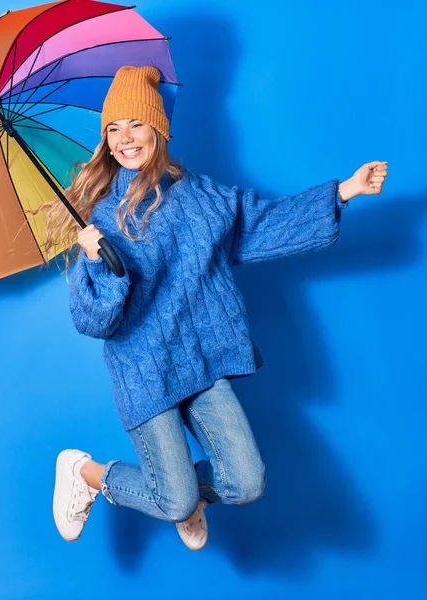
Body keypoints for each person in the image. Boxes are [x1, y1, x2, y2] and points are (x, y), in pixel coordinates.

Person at [46, 65, 388, 550]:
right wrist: (97, 263)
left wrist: (345, 192)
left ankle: (187, 498)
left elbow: (262, 225)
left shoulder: (199, 196)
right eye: (114, 129)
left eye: (136, 124)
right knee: (174, 502)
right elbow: (92, 320)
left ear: (158, 128)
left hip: (202, 363)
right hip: (146, 373)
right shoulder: (100, 219)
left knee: (245, 484)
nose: (125, 139)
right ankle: (85, 472)